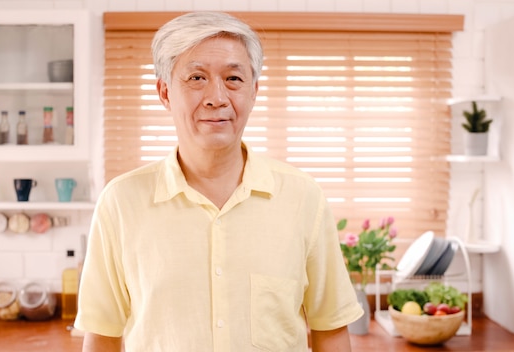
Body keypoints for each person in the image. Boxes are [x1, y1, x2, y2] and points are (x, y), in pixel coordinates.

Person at [74, 11, 363, 352]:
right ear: (165, 92)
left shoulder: (303, 198)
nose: (217, 97)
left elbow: (329, 330)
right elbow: (103, 336)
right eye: (196, 78)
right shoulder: (121, 202)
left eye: (233, 79)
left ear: (253, 91)